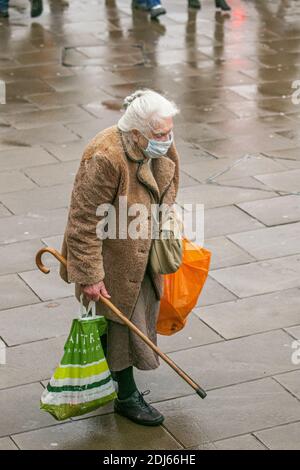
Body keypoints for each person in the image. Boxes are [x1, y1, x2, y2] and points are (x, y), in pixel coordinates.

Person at [59, 89, 180, 426]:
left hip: (142, 248)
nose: (167, 139)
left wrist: (161, 221)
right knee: (121, 323)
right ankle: (126, 395)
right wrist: (90, 276)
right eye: (159, 134)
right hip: (110, 257)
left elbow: (169, 185)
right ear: (136, 132)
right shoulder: (106, 156)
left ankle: (106, 378)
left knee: (131, 318)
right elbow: (83, 221)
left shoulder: (161, 141)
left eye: (169, 131)